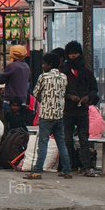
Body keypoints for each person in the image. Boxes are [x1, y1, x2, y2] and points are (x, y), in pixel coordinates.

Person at [30, 52, 72, 179]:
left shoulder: (43, 77)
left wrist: (44, 99)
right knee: (61, 143)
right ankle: (67, 170)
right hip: (59, 115)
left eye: (44, 64)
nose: (42, 66)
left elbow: (35, 93)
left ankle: (37, 170)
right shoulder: (64, 77)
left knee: (43, 143)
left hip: (46, 115)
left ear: (49, 64)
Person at [61, 40, 99, 176]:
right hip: (67, 110)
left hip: (82, 111)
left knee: (84, 139)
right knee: (67, 139)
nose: (73, 56)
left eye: (75, 53)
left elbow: (94, 89)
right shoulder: (63, 72)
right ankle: (69, 165)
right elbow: (59, 92)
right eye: (71, 54)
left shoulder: (86, 72)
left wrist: (88, 97)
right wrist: (70, 97)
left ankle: (86, 167)